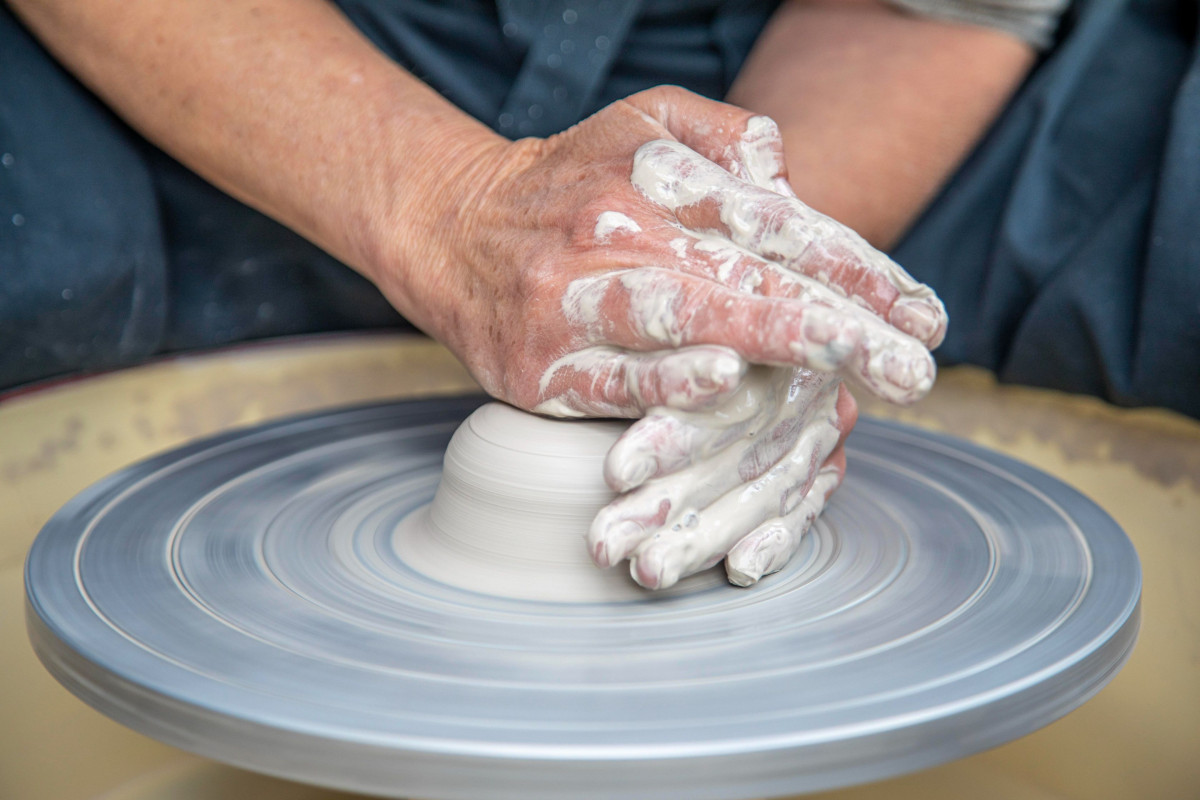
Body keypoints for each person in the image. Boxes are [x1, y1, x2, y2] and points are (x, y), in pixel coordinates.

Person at [2, 1, 1195, 586]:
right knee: (41, 261)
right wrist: (444, 202)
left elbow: (915, 12)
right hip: (257, 41)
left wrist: (742, 279)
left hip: (773, 55)